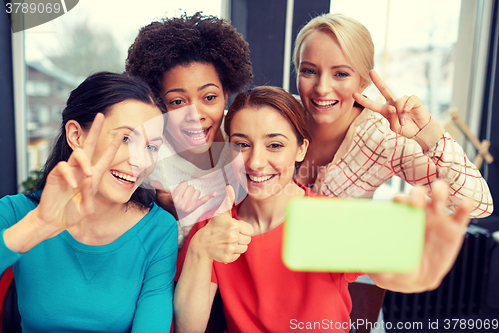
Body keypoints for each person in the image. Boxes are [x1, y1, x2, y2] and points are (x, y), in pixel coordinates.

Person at [173, 86, 474, 333]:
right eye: (242, 144)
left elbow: (386, 274)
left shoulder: (328, 218)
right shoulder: (214, 228)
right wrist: (200, 249)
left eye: (275, 145)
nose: (255, 162)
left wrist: (416, 273)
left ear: (301, 148)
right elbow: (189, 329)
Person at [0, 72, 178, 332]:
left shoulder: (158, 230)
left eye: (152, 147)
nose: (140, 161)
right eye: (125, 139)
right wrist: (38, 225)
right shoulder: (16, 212)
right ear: (75, 135)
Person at [292, 13, 493, 218]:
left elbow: (479, 206)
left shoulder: (384, 138)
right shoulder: (278, 115)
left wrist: (430, 134)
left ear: (363, 81)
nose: (322, 88)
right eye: (309, 71)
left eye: (341, 74)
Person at [125, 12, 254, 247]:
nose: (195, 115)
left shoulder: (241, 137)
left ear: (225, 97)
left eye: (209, 97)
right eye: (178, 102)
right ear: (160, 104)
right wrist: (166, 214)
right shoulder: (152, 166)